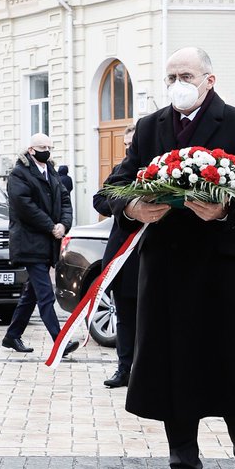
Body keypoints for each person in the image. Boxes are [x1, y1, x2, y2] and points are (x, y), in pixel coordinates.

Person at [102, 46, 235, 469]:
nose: (178, 82)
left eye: (186, 74)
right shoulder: (153, 127)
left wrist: (223, 208)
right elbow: (110, 189)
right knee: (171, 369)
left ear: (209, 80)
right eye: (171, 75)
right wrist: (131, 207)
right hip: (167, 269)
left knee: (230, 361)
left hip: (221, 269)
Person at [3, 133, 74, 354]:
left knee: (31, 294)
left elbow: (64, 200)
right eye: (42, 147)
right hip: (30, 242)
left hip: (49, 242)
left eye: (50, 147)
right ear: (31, 150)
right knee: (45, 293)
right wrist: (51, 226)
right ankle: (59, 341)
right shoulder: (19, 174)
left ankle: (12, 336)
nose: (47, 150)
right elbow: (24, 206)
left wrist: (64, 224)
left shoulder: (51, 171)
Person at [94, 121, 139, 388]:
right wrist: (126, 203)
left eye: (132, 145)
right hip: (123, 253)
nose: (128, 150)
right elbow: (99, 200)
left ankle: (147, 372)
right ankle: (123, 369)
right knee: (124, 315)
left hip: (150, 254)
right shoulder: (121, 170)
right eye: (126, 146)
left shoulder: (161, 172)